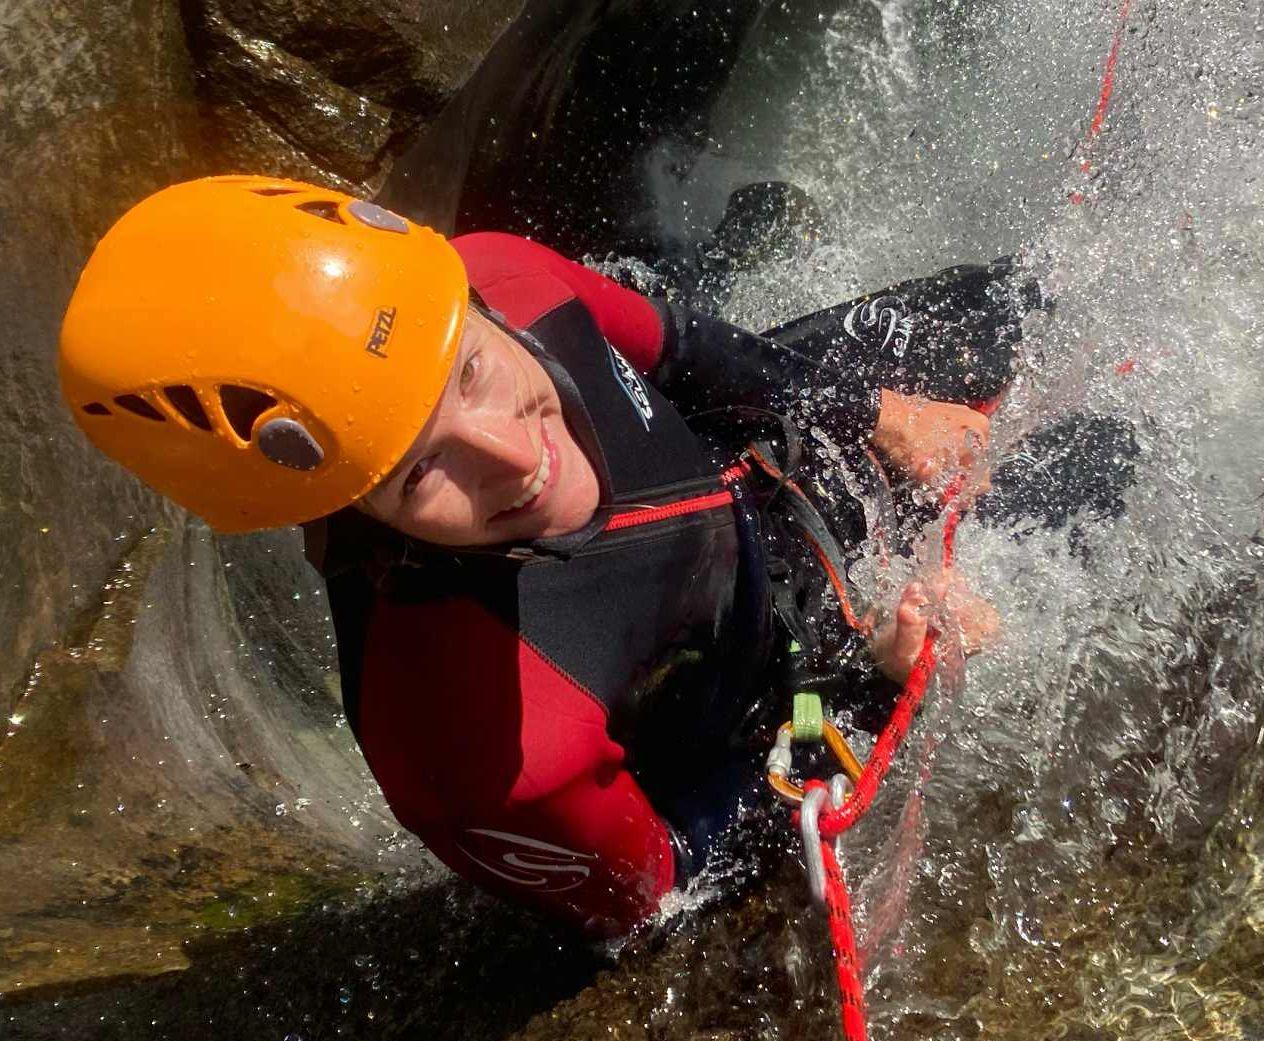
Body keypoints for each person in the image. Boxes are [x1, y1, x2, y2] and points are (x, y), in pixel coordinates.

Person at [58, 176, 1046, 936]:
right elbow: (673, 881)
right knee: (1098, 469)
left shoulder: (500, 277)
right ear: (336, 513)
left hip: (759, 479)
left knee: (1018, 301)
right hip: (778, 694)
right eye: (416, 475)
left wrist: (877, 414)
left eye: (474, 374)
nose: (513, 456)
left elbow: (688, 353)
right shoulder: (478, 752)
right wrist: (866, 696)